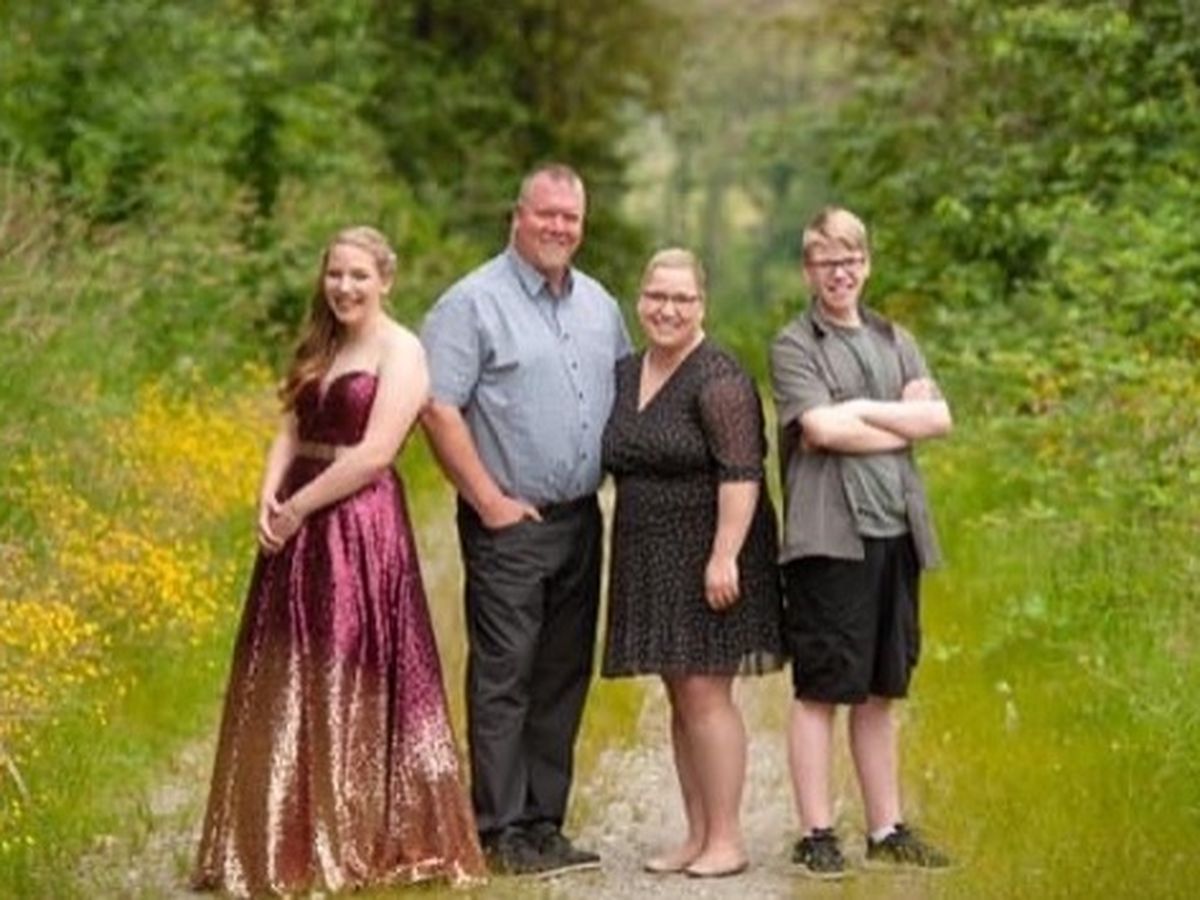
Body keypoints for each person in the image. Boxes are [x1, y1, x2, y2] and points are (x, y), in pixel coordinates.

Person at [192, 227, 486, 897]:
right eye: (335, 274)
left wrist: (299, 507)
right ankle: (283, 840)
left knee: (348, 667)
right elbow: (291, 426)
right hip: (296, 520)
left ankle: (355, 835)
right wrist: (270, 492)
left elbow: (376, 453)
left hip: (357, 524)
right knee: (289, 669)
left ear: (385, 280)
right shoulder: (319, 343)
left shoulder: (402, 350)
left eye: (358, 276)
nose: (345, 287)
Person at [419, 164, 631, 877]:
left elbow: (630, 392)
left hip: (581, 519)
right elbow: (438, 408)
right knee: (505, 674)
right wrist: (488, 501)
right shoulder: (471, 303)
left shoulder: (600, 305)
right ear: (518, 216)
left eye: (571, 217)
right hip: (508, 522)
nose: (559, 227)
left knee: (563, 672)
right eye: (547, 214)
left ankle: (544, 823)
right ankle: (500, 828)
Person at [769, 207, 953, 879]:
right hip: (830, 542)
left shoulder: (895, 338)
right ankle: (816, 834)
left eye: (850, 259)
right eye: (826, 261)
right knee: (822, 688)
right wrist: (900, 419)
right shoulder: (795, 345)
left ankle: (886, 829)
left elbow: (940, 419)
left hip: (896, 534)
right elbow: (821, 430)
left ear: (866, 264)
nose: (839, 272)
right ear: (808, 270)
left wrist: (863, 412)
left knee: (881, 689)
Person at [601, 248, 784, 879]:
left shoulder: (719, 378)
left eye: (682, 298)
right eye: (657, 296)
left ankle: (727, 839)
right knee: (680, 693)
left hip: (711, 552)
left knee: (706, 692)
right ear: (639, 299)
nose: (668, 309)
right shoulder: (629, 371)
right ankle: (697, 833)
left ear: (702, 304)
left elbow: (742, 473)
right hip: (650, 552)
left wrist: (725, 555)